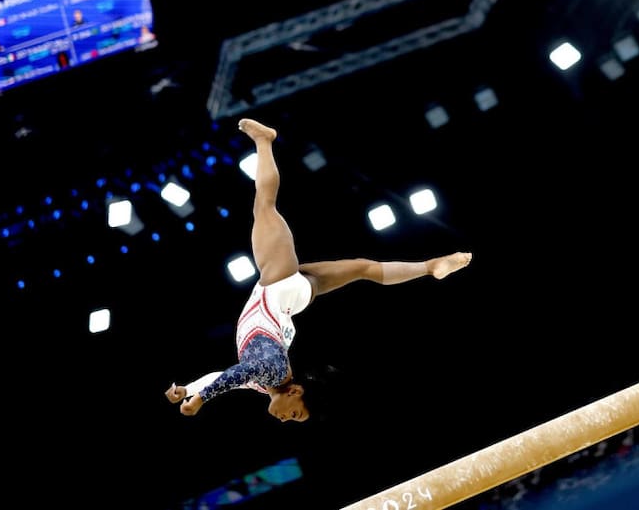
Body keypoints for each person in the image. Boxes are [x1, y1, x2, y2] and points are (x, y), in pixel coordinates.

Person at [165, 118, 471, 423]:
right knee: (264, 206)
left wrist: (189, 389)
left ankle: (430, 267)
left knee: (364, 268)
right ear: (295, 391)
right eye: (295, 414)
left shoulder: (264, 382)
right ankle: (265, 141)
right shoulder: (271, 371)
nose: (286, 419)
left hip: (294, 298)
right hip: (279, 285)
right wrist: (201, 400)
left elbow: (226, 376)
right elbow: (237, 373)